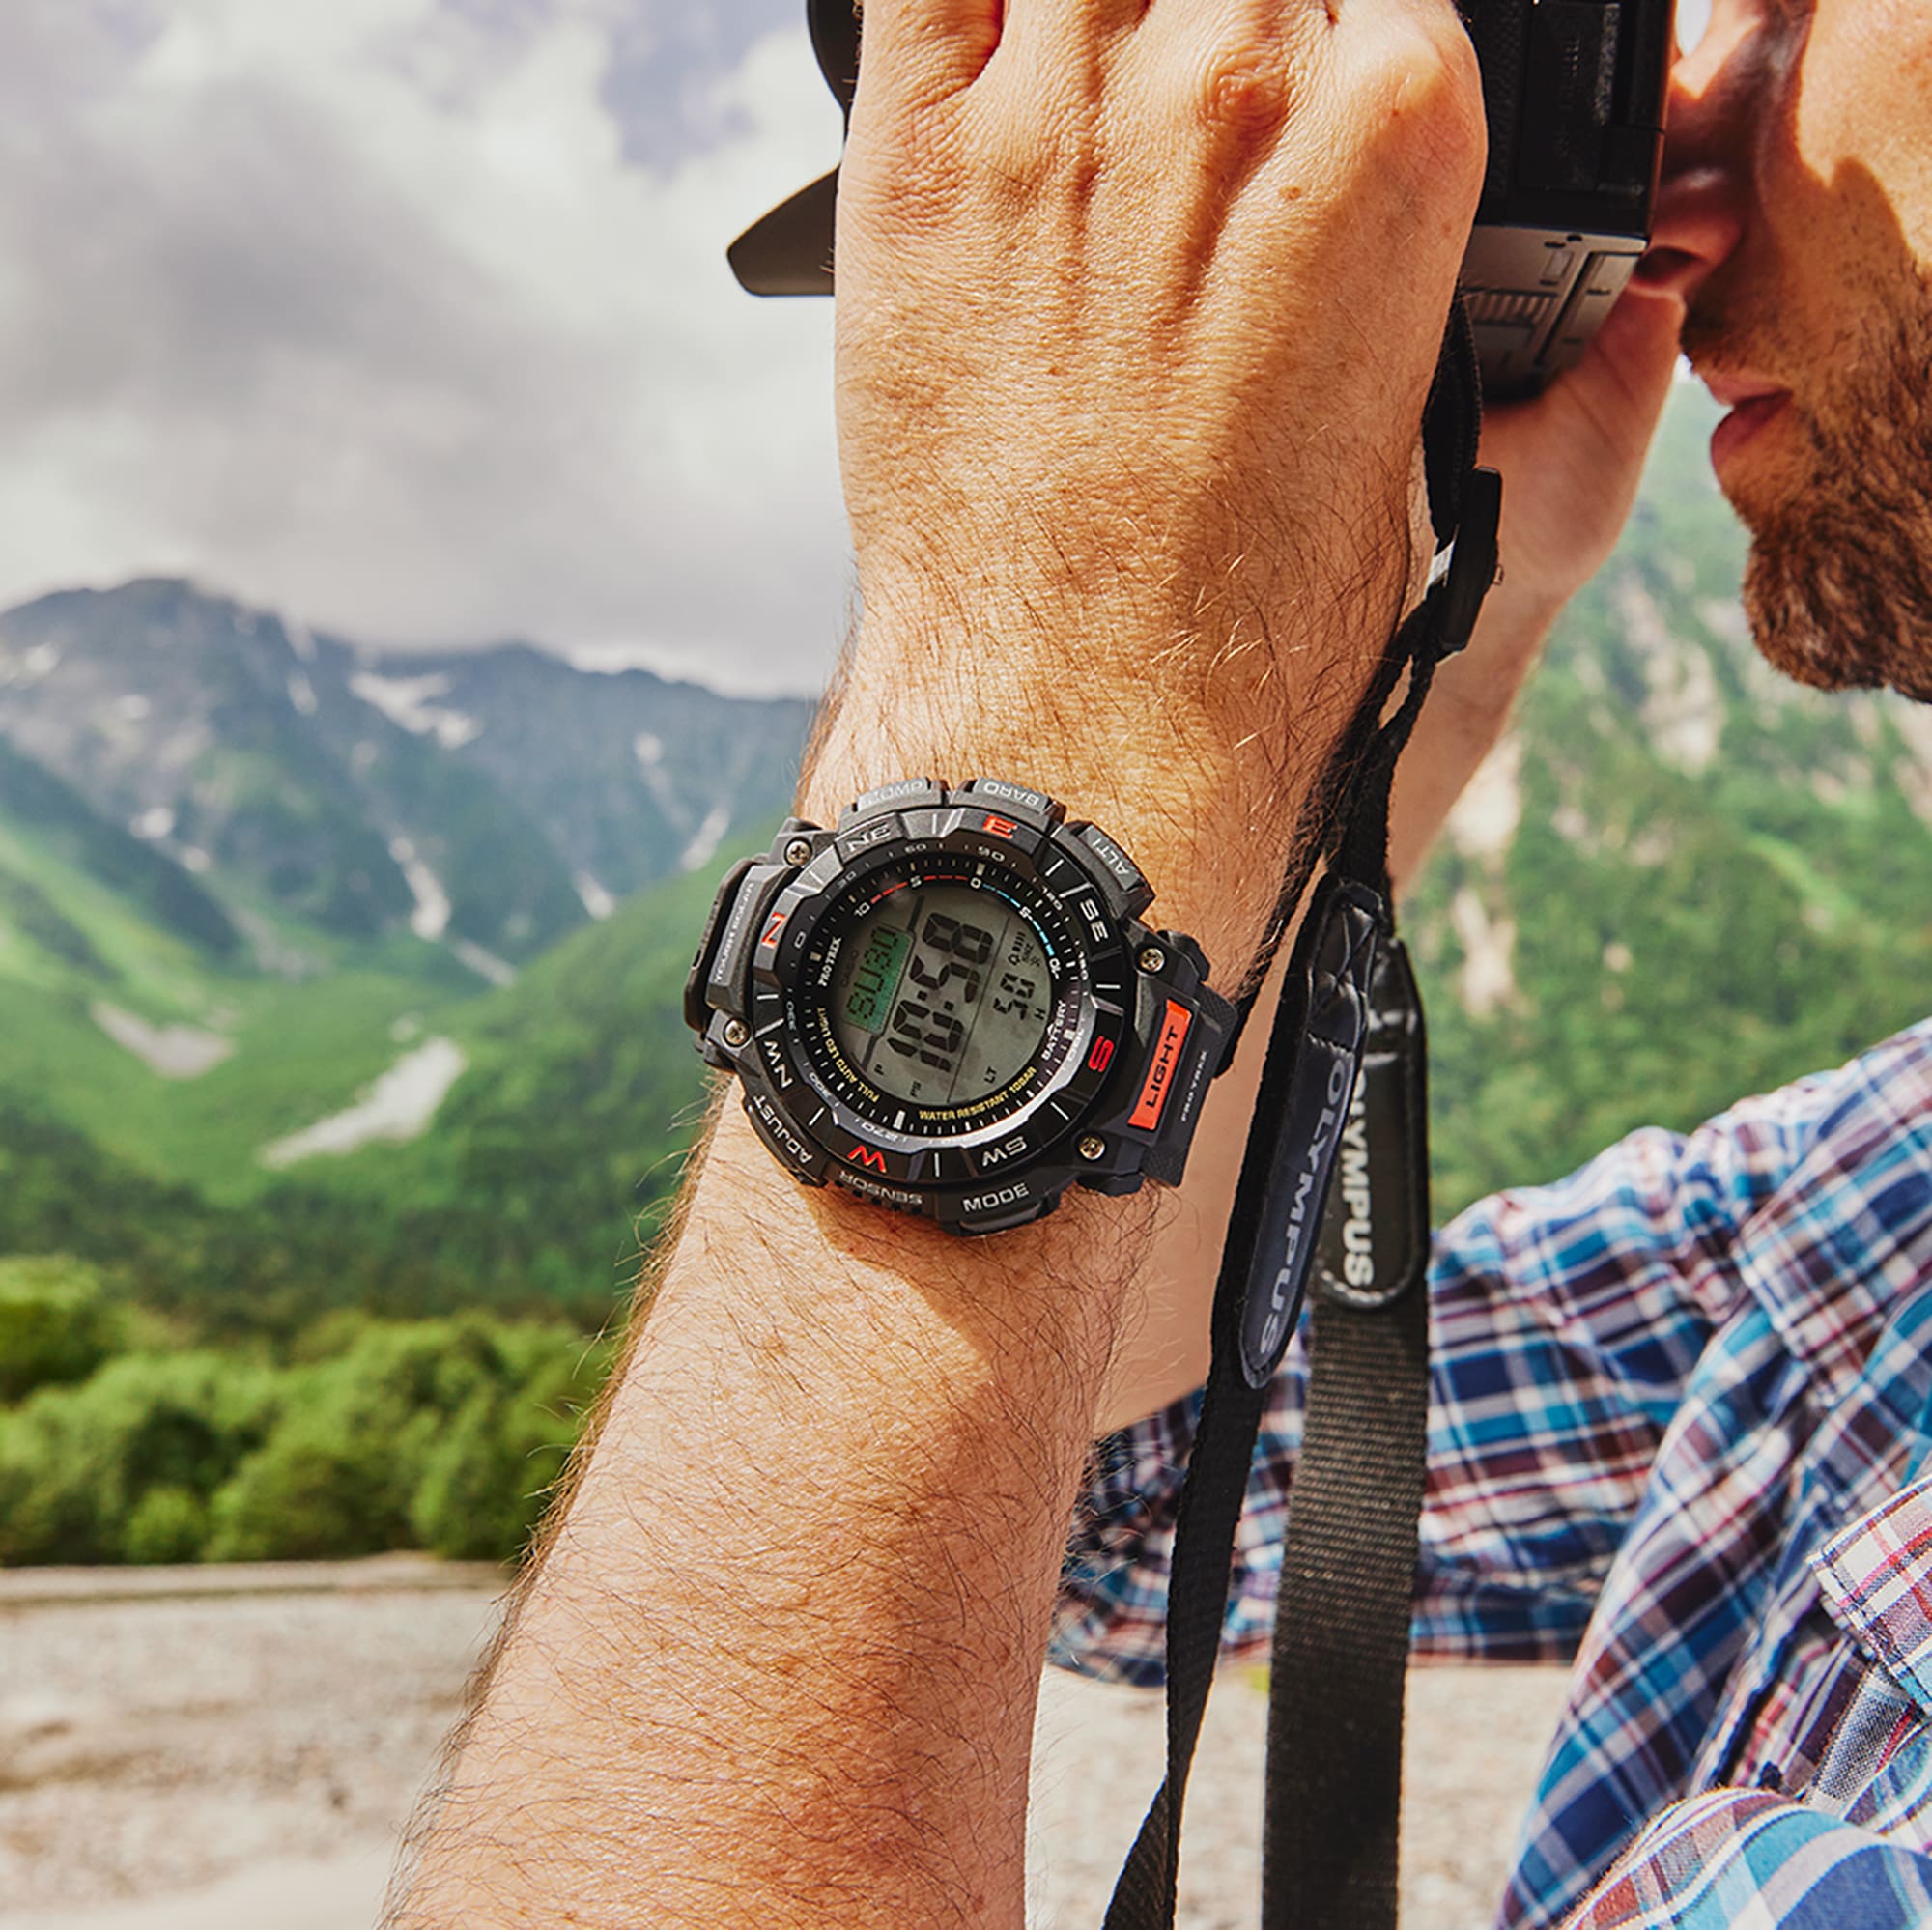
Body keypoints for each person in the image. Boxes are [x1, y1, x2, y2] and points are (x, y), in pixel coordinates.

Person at [384, 0, 1932, 1925]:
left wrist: (1050, 672)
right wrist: (1425, 613)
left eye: (1784, 3)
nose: (1683, 122)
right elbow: (1129, 1466)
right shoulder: (1889, 1190)